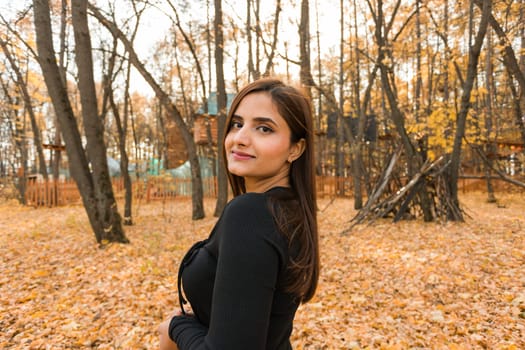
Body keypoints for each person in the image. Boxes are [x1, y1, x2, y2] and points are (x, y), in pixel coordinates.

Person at [158, 78, 320, 350]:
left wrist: (176, 328)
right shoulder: (288, 213)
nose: (240, 139)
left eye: (264, 128)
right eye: (237, 124)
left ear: (296, 149)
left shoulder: (250, 215)